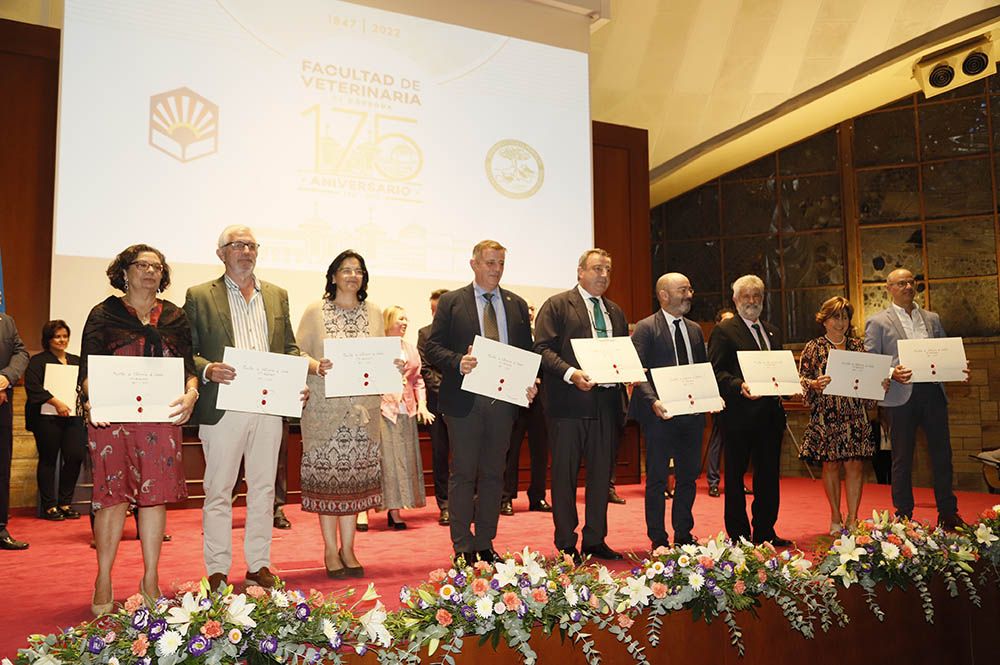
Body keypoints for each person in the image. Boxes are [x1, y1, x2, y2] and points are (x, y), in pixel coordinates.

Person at [184, 225, 315, 590]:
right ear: (221, 253)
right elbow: (184, 350)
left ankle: (259, 565)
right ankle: (217, 569)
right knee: (219, 489)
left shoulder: (276, 295)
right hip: (223, 405)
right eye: (237, 245)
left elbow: (288, 348)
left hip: (270, 405)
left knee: (263, 490)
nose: (245, 251)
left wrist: (296, 383)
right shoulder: (199, 295)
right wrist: (207, 369)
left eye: (251, 245)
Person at [79, 244, 199, 614]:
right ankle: (103, 577)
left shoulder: (176, 317)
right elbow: (88, 371)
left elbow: (188, 368)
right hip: (113, 418)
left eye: (157, 266)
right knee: (112, 497)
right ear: (125, 272)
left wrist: (192, 393)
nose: (150, 271)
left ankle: (150, 577)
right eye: (142, 265)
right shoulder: (103, 314)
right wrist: (90, 400)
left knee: (154, 496)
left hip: (161, 418)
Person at [424, 240, 536, 565]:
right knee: (463, 474)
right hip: (463, 402)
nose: (496, 269)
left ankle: (485, 543)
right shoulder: (451, 301)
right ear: (473, 264)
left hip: (504, 401)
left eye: (500, 263)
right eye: (489, 263)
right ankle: (462, 546)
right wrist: (458, 361)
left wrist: (530, 383)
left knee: (493, 475)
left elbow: (526, 354)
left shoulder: (516, 304)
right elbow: (432, 347)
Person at [534, 248, 628, 563]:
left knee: (602, 477)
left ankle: (594, 540)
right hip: (568, 405)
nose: (603, 275)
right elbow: (542, 350)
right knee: (564, 477)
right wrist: (571, 373)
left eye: (608, 270)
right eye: (597, 268)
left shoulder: (615, 311)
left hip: (606, 404)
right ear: (580, 271)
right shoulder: (558, 305)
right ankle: (565, 543)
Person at [296, 250, 380, 578]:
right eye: (345, 270)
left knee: (354, 483)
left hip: (363, 412)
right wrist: (317, 366)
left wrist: (393, 365)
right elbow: (297, 351)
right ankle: (330, 549)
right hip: (325, 412)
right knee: (328, 484)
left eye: (358, 270)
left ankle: (350, 548)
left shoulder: (374, 312)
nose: (352, 275)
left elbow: (380, 354)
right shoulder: (316, 311)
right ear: (333, 276)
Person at [864, 268, 965, 530]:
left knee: (943, 455)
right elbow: (869, 361)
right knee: (902, 458)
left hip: (932, 392)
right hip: (900, 396)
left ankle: (948, 512)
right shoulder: (878, 322)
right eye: (901, 283)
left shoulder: (932, 318)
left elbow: (944, 352)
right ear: (889, 288)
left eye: (911, 281)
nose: (908, 286)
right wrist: (890, 372)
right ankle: (904, 516)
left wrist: (958, 366)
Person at [707, 274, 790, 546]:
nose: (752, 301)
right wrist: (738, 384)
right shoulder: (725, 330)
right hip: (738, 418)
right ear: (735, 299)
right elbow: (715, 372)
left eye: (757, 296)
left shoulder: (772, 331)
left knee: (768, 478)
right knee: (734, 478)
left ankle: (766, 532)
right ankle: (739, 535)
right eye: (746, 296)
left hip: (770, 417)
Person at [629, 273, 707, 549]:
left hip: (693, 415)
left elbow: (702, 370)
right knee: (658, 478)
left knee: (688, 477)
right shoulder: (645, 328)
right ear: (663, 295)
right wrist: (652, 401)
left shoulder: (695, 329)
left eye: (689, 289)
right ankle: (658, 538)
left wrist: (711, 398)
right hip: (658, 416)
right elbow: (637, 372)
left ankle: (683, 534)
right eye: (682, 290)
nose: (689, 294)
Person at [799, 297, 887, 535]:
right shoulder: (814, 347)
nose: (841, 322)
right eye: (835, 317)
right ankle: (835, 515)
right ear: (824, 320)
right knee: (831, 465)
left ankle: (853, 518)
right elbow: (802, 382)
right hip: (827, 415)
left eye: (845, 317)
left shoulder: (858, 347)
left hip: (855, 415)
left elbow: (869, 387)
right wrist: (814, 384)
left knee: (856, 466)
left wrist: (880, 384)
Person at [24, 320, 87, 521]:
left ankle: (65, 503)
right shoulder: (38, 361)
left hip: (73, 418)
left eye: (65, 336)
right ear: (48, 339)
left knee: (75, 456)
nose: (62, 340)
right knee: (49, 459)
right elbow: (33, 387)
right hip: (46, 418)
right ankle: (49, 506)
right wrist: (56, 402)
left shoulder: (77, 361)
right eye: (57, 336)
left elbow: (84, 387)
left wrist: (85, 402)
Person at [378, 306, 430, 529]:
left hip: (406, 410)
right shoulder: (376, 347)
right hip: (383, 410)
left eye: (406, 318)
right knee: (385, 462)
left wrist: (423, 405)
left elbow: (418, 380)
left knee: (402, 461)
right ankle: (369, 510)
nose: (405, 322)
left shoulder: (410, 349)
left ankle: (396, 510)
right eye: (401, 318)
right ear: (388, 321)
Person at [501, 300, 551, 516]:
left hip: (541, 400)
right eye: (526, 311)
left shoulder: (542, 337)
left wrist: (539, 380)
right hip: (516, 398)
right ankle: (506, 498)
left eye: (532, 310)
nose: (529, 314)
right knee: (510, 450)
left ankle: (538, 496)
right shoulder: (511, 337)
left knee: (540, 450)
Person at [417, 289, 451, 526]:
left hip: (467, 405)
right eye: (433, 310)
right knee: (440, 456)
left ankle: (470, 503)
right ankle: (445, 505)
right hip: (437, 405)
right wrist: (446, 392)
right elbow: (426, 368)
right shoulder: (425, 334)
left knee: (466, 457)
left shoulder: (466, 333)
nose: (435, 314)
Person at [0, 310, 28, 550]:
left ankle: (0, 527)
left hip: (2, 404)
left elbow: (21, 352)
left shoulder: (6, 321)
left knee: (1, 466)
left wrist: (7, 376)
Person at [705, 308, 735, 498]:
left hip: (738, 397)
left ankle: (736, 482)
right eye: (726, 322)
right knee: (718, 439)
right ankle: (713, 482)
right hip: (719, 397)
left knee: (735, 443)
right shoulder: (714, 344)